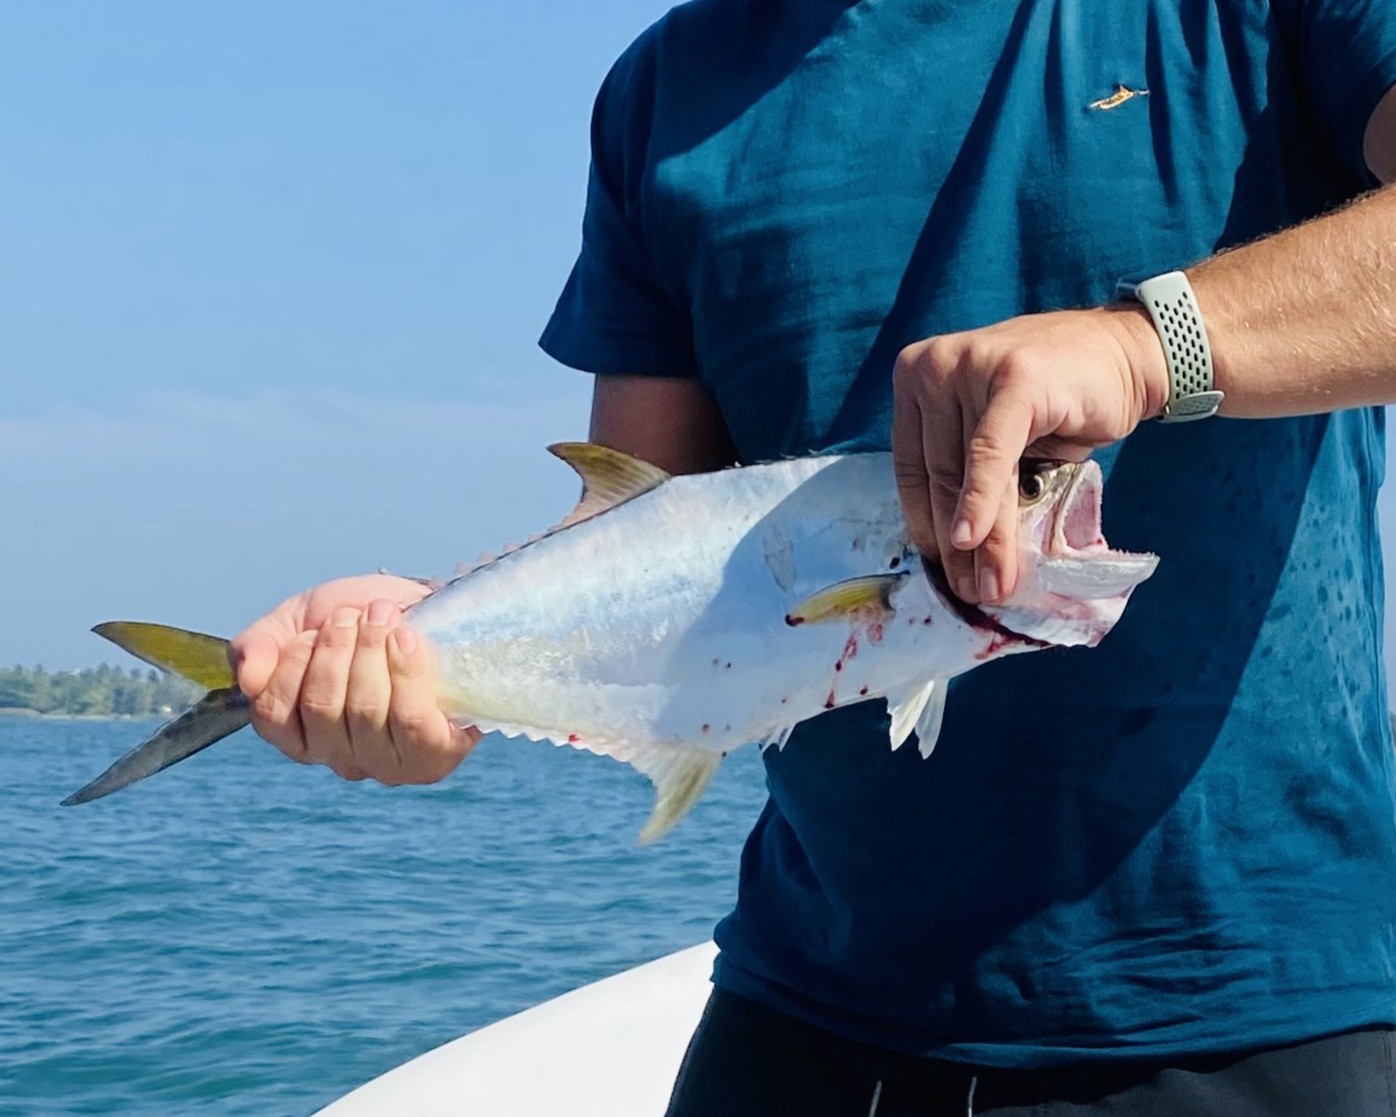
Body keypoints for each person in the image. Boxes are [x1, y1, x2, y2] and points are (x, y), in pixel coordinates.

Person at [232, 3, 1396, 1114]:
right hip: (810, 1013)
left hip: (1257, 1012)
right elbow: (641, 540)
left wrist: (1147, 349)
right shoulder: (666, 92)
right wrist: (433, 661)